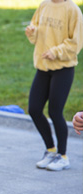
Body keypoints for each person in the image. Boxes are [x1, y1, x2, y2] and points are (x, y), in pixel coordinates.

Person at [25, 0, 83, 171]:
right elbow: (35, 30)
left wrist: (56, 51)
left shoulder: (72, 10)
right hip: (43, 67)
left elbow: (76, 42)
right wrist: (31, 32)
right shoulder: (44, 5)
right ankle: (50, 150)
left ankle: (63, 156)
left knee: (55, 111)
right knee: (34, 109)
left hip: (63, 69)